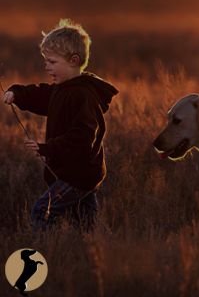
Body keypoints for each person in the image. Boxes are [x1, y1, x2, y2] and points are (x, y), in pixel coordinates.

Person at [3, 19, 118, 231]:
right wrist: (16, 93)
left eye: (52, 62)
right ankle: (89, 251)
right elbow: (40, 95)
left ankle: (45, 250)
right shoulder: (62, 88)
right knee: (83, 222)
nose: (47, 67)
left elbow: (82, 137)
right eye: (46, 61)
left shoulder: (83, 95)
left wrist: (48, 148)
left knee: (41, 212)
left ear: (74, 60)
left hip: (79, 173)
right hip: (76, 171)